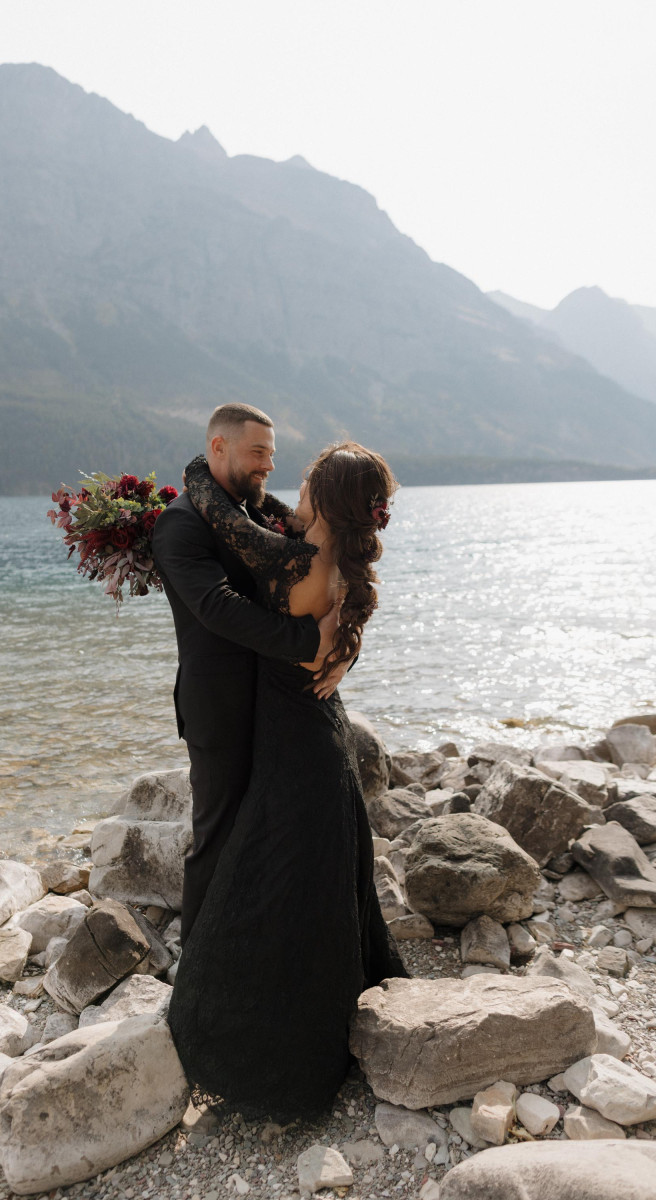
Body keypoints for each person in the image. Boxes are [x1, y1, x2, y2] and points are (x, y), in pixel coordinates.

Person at [166, 440, 408, 1122]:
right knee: (317, 879)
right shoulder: (337, 567)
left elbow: (232, 525)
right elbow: (272, 515)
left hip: (296, 747)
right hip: (321, 731)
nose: (293, 495)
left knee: (275, 881)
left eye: (305, 486)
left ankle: (273, 1044)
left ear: (325, 503)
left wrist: (196, 475)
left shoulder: (299, 562)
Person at [152, 403, 348, 945]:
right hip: (220, 705)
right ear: (219, 447)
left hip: (278, 703)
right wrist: (313, 644)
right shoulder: (181, 524)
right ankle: (197, 963)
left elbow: (331, 576)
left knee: (269, 829)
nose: (267, 465)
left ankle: (255, 941)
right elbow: (218, 608)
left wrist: (341, 650)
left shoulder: (262, 517)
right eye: (257, 452)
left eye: (272, 454)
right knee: (216, 835)